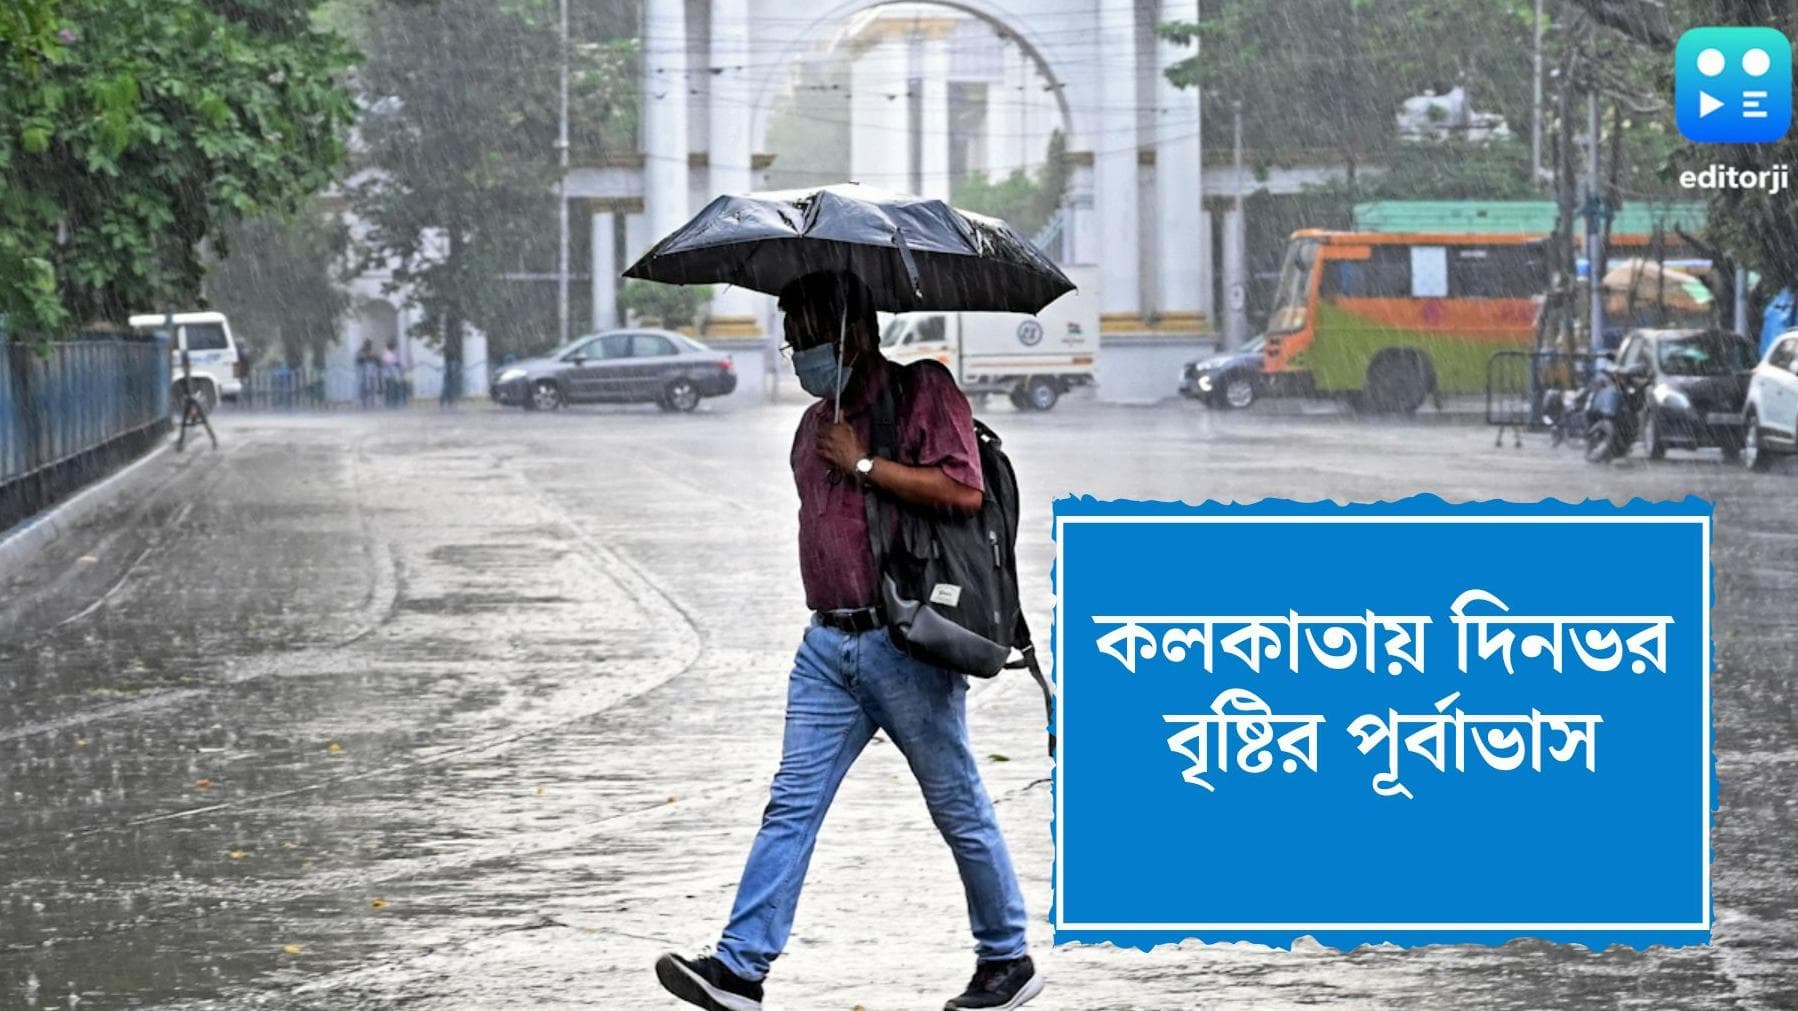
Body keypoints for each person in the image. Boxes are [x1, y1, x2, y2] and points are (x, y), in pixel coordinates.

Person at [655, 271, 1042, 1011]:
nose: (799, 352)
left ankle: (1007, 958)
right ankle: (740, 967)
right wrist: (839, 454)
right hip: (826, 648)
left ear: (853, 333)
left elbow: (964, 490)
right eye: (790, 339)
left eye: (808, 335)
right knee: (791, 804)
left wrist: (864, 462)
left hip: (905, 643)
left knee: (956, 804)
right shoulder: (812, 426)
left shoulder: (922, 392)